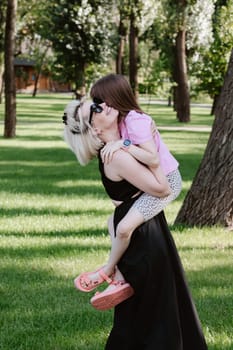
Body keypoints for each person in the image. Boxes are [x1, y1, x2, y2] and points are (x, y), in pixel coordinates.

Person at [63, 98, 208, 349]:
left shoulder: (115, 148)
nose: (102, 105)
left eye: (97, 102)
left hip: (141, 230)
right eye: (95, 109)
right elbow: (162, 188)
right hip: (143, 238)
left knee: (147, 313)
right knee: (157, 315)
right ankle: (110, 270)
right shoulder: (117, 156)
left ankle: (114, 273)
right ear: (94, 128)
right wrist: (152, 153)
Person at [74, 73, 182, 299]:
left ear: (116, 98)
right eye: (97, 104)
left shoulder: (134, 120)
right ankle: (120, 280)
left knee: (123, 228)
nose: (101, 107)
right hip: (151, 181)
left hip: (168, 181)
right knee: (112, 222)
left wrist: (121, 144)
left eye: (103, 101)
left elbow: (152, 159)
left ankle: (107, 270)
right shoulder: (122, 121)